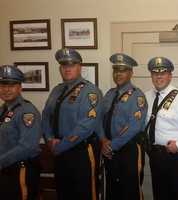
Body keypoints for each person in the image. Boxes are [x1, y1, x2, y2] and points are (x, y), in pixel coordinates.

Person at [42, 48, 102, 200]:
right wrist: (49, 139)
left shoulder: (90, 91)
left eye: (72, 65)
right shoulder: (57, 90)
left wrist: (60, 145)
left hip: (80, 152)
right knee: (64, 192)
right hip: (59, 152)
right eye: (64, 65)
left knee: (84, 193)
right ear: (60, 68)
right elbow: (46, 116)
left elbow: (86, 126)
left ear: (80, 67)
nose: (67, 68)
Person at [145, 57, 178, 200]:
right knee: (160, 193)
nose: (158, 77)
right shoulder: (146, 97)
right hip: (155, 154)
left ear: (170, 75)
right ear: (151, 75)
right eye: (155, 73)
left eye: (163, 73)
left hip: (176, 155)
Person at [98, 53, 147, 200]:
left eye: (123, 70)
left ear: (131, 73)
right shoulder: (109, 94)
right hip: (108, 149)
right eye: (116, 70)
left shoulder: (137, 96)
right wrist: (103, 140)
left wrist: (111, 145)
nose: (118, 74)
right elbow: (99, 120)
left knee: (130, 191)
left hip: (128, 150)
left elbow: (134, 127)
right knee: (112, 190)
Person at [0, 65, 41, 200]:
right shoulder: (3, 110)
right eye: (2, 85)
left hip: (20, 171)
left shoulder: (26, 111)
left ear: (20, 87)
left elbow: (27, 146)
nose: (6, 89)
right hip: (6, 171)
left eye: (11, 85)